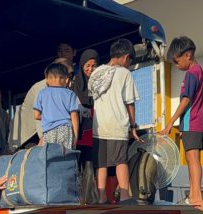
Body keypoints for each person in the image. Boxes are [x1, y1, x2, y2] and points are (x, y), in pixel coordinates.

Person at [89, 38, 141, 203]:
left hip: (99, 125)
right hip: (117, 124)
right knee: (121, 161)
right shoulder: (125, 73)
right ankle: (125, 195)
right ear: (126, 58)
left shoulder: (96, 73)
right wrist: (133, 126)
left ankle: (101, 196)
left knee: (101, 163)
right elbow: (129, 102)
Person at [162, 36, 203, 204]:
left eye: (177, 61)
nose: (176, 65)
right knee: (191, 159)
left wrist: (170, 123)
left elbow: (186, 100)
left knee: (193, 159)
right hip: (197, 123)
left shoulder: (191, 73)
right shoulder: (199, 70)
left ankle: (196, 195)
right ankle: (193, 194)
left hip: (192, 122)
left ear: (187, 55)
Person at [9, 58, 74, 151]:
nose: (68, 79)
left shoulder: (61, 88)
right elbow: (39, 117)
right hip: (28, 137)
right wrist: (43, 140)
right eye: (67, 74)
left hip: (44, 135)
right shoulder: (42, 87)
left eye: (70, 75)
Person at [34, 62, 80, 149]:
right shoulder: (70, 94)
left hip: (48, 131)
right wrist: (76, 135)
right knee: (64, 158)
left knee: (50, 158)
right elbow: (74, 116)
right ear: (66, 79)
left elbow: (36, 115)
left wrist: (50, 115)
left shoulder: (42, 93)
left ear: (47, 79)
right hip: (66, 130)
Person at [73, 49, 100, 169]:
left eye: (94, 66)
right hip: (79, 134)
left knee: (93, 167)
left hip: (97, 132)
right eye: (87, 65)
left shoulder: (101, 83)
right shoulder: (74, 84)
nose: (90, 69)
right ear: (82, 65)